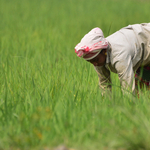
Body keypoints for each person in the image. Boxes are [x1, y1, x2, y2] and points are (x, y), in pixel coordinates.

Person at [74, 23, 150, 95]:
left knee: (139, 94)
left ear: (104, 51)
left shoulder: (120, 56)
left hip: (146, 41)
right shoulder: (97, 57)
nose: (95, 64)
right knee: (141, 94)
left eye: (96, 60)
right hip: (142, 57)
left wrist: (128, 106)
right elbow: (104, 84)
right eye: (90, 62)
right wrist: (106, 105)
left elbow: (127, 88)